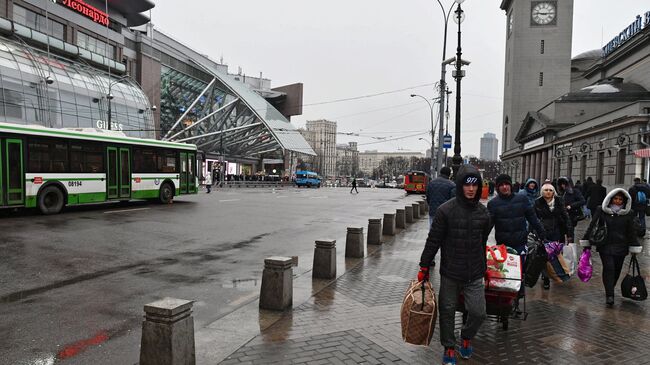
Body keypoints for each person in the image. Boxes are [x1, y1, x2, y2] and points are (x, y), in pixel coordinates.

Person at [418, 165, 491, 365]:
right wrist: (424, 266)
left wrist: (484, 268)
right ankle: (449, 347)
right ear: (459, 186)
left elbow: (482, 242)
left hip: (474, 272)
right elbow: (433, 240)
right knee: (447, 310)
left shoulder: (483, 213)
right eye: (467, 185)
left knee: (478, 313)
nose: (471, 189)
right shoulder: (445, 210)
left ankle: (466, 336)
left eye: (474, 185)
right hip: (450, 271)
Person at [488, 174, 546, 308]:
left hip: (520, 243)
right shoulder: (493, 204)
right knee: (504, 274)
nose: (504, 187)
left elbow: (533, 218)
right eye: (501, 185)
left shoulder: (522, 199)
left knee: (519, 273)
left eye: (506, 184)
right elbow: (489, 225)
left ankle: (518, 299)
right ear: (497, 188)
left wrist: (542, 233)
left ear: (510, 185)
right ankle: (504, 300)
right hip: (503, 247)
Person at [583, 189, 640, 307]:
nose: (618, 201)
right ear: (610, 199)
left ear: (624, 201)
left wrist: (634, 246)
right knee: (609, 268)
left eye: (620, 199)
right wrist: (586, 240)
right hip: (605, 244)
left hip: (621, 246)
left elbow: (632, 231)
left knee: (617, 270)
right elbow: (593, 225)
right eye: (615, 198)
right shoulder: (602, 210)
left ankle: (610, 286)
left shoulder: (629, 213)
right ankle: (610, 295)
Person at [534, 182, 573, 289]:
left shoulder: (559, 201)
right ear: (542, 191)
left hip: (556, 232)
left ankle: (556, 274)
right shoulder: (537, 202)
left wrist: (569, 234)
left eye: (550, 190)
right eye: (546, 190)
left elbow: (566, 217)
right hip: (542, 232)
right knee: (544, 256)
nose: (548, 192)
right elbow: (534, 218)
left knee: (554, 255)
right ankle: (546, 278)